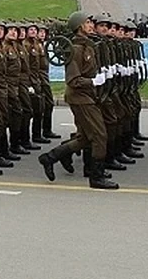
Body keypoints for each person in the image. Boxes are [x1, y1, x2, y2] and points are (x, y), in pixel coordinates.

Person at [37, 11, 118, 189]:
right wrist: (93, 81)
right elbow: (73, 80)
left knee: (85, 138)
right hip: (80, 98)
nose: (91, 25)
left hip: (88, 96)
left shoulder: (88, 46)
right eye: (88, 22)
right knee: (99, 135)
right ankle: (96, 177)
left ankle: (50, 157)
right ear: (80, 26)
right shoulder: (74, 49)